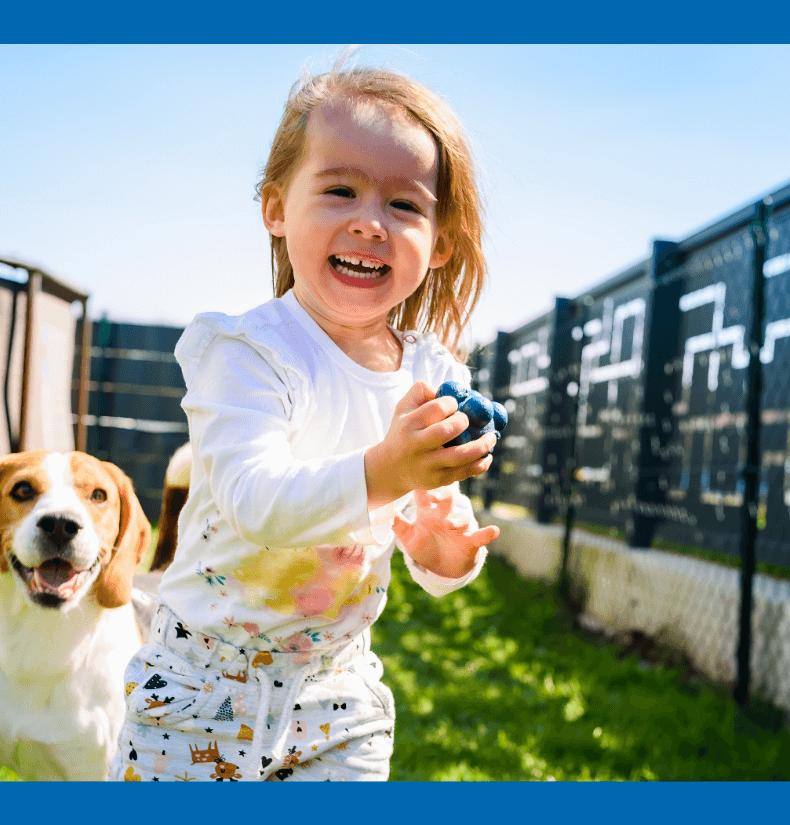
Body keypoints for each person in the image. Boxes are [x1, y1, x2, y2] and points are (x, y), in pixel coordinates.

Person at [109, 60, 499, 782]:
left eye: (405, 205)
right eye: (341, 189)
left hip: (335, 693)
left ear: (439, 242)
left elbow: (428, 524)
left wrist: (445, 551)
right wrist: (386, 470)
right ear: (277, 207)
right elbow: (257, 501)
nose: (369, 221)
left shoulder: (433, 373)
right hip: (198, 687)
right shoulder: (247, 350)